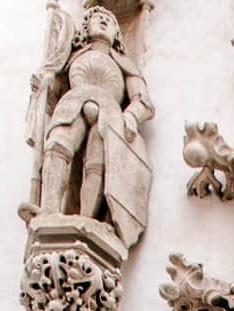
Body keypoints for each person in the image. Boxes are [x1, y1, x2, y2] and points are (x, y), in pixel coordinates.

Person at [24, 5, 154, 248]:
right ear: (85, 27)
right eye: (97, 17)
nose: (103, 21)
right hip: (73, 101)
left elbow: (143, 101)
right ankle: (49, 209)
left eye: (109, 20)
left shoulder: (126, 65)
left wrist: (132, 117)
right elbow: (55, 91)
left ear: (118, 33)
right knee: (57, 148)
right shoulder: (71, 57)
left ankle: (87, 219)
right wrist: (42, 85)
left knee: (96, 165)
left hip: (109, 112)